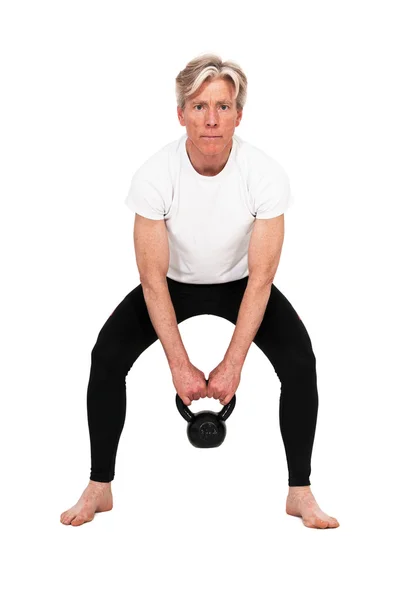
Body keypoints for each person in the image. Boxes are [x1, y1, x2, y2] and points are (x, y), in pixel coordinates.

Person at [60, 53, 339, 529]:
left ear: (239, 115)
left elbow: (262, 279)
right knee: (106, 356)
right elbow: (151, 279)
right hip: (172, 284)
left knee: (299, 361)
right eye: (199, 106)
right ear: (181, 113)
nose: (211, 119)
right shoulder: (154, 175)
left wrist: (232, 365)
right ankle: (99, 486)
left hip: (241, 284)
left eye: (223, 107)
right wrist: (180, 364)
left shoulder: (265, 174)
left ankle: (300, 492)